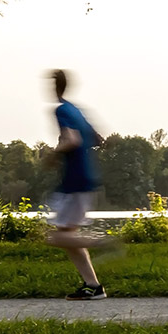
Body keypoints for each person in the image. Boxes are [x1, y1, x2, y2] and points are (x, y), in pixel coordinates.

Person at [45, 69, 109, 300]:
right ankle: (93, 286)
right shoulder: (76, 110)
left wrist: (54, 153)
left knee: (55, 237)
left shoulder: (62, 110)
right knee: (67, 233)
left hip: (75, 180)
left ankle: (105, 242)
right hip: (85, 177)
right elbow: (97, 139)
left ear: (54, 87)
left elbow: (73, 140)